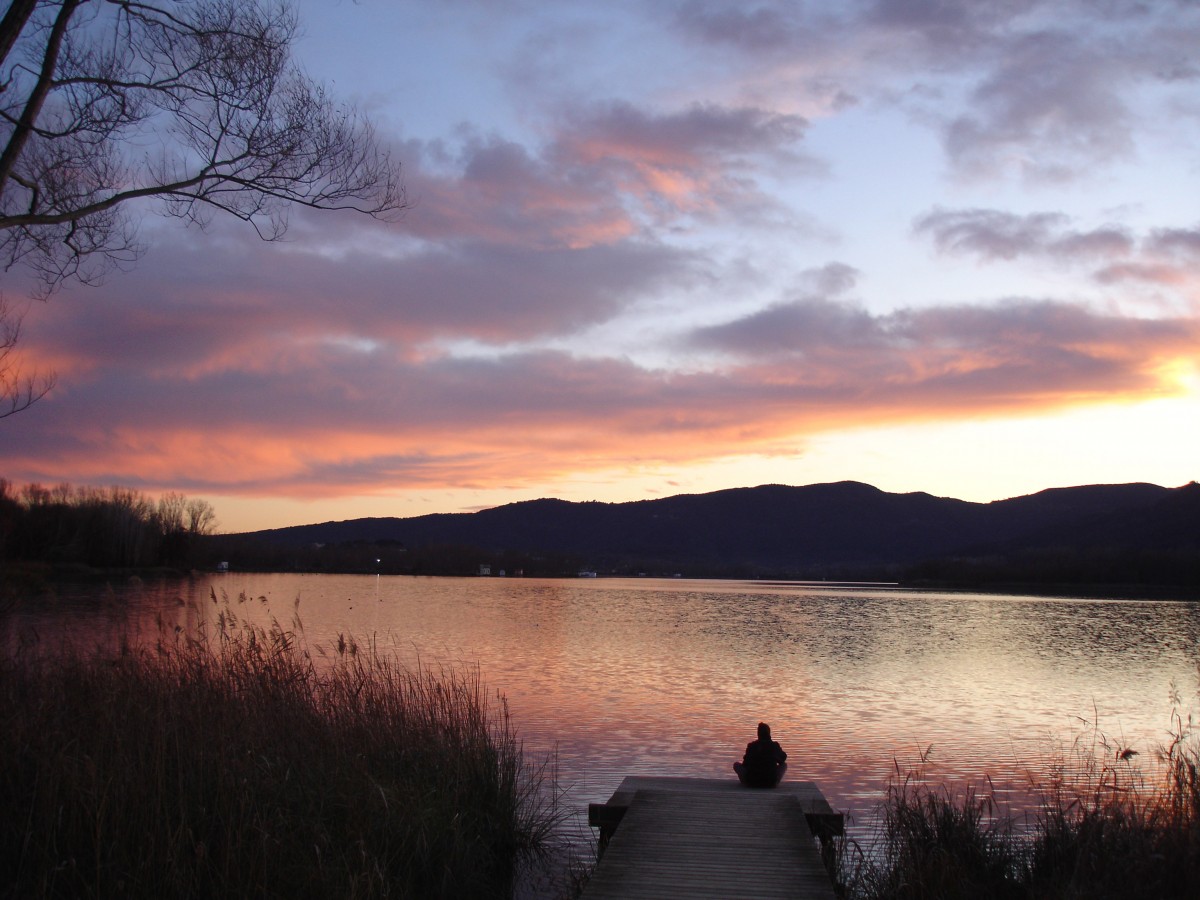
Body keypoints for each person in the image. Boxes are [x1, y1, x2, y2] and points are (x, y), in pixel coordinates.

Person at [733, 722, 788, 787]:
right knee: (784, 765)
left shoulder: (752, 746)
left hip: (752, 781)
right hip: (770, 782)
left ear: (758, 733)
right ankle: (774, 782)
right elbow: (782, 759)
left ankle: (745, 782)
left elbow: (745, 764)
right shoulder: (774, 745)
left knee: (736, 765)